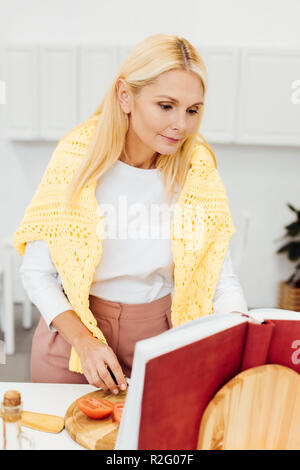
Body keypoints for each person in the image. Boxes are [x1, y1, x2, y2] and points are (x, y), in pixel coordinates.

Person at [15, 34, 248, 395]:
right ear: (126, 95)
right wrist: (85, 342)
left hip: (162, 343)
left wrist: (240, 332)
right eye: (166, 105)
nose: (181, 126)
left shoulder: (197, 167)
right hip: (73, 345)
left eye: (192, 110)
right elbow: (37, 273)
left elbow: (221, 281)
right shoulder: (76, 160)